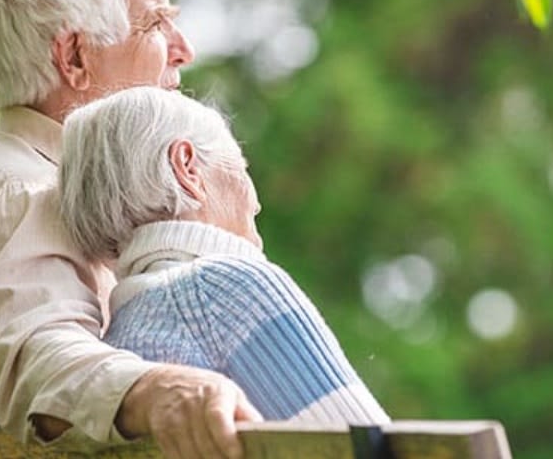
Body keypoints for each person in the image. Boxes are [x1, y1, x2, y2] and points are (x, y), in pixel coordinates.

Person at [0, 0, 261, 458]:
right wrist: (159, 389)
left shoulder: (52, 182)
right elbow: (38, 355)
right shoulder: (21, 189)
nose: (184, 50)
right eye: (158, 23)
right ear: (73, 57)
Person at [57, 86, 391, 424]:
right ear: (187, 168)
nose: (256, 202)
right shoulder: (228, 289)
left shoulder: (118, 340)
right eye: (241, 166)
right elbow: (369, 444)